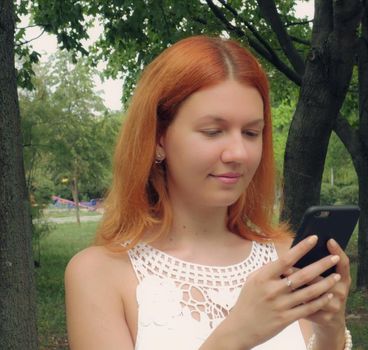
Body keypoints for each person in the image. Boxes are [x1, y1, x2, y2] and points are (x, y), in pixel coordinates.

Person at [64, 36, 353, 350]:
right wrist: (234, 337)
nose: (238, 153)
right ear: (159, 138)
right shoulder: (98, 274)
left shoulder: (288, 259)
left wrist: (330, 332)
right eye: (213, 131)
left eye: (251, 132)